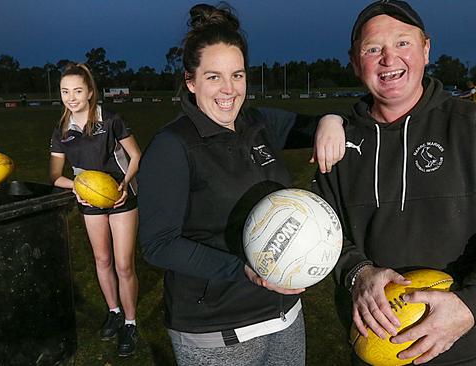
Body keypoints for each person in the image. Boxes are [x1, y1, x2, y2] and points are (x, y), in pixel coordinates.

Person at [137, 4, 345, 365]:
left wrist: (331, 118)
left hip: (285, 317)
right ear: (191, 80)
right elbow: (158, 245)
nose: (229, 90)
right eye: (214, 77)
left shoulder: (257, 122)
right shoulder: (172, 146)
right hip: (217, 331)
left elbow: (315, 126)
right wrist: (245, 270)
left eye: (238, 75)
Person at [312, 1, 476, 365]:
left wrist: (473, 306)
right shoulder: (338, 142)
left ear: (425, 49)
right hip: (372, 345)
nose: (389, 59)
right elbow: (322, 233)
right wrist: (358, 272)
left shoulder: (472, 125)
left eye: (403, 43)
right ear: (355, 61)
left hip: (458, 347)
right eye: (373, 49)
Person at [48, 63, 141, 357]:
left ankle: (130, 322)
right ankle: (113, 312)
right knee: (102, 261)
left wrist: (125, 183)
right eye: (65, 91)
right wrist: (77, 188)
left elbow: (136, 155)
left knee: (123, 264)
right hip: (89, 202)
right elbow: (54, 176)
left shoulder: (111, 120)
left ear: (90, 92)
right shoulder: (62, 131)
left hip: (121, 198)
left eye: (77, 90)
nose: (71, 97)